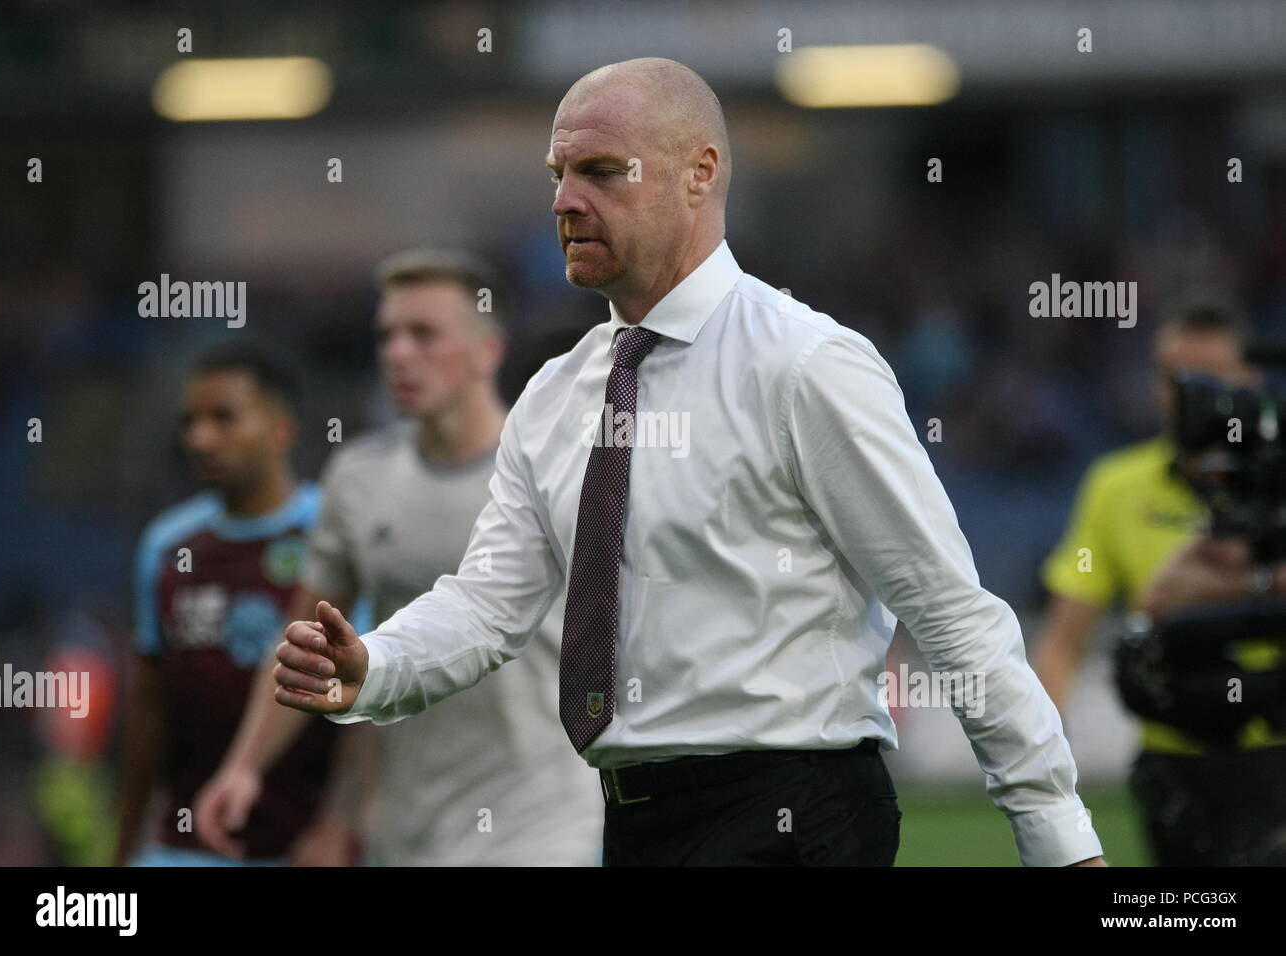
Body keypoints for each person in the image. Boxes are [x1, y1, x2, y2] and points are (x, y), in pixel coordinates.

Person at [273, 57, 1105, 867]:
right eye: (558, 174)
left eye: (600, 171)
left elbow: (949, 609)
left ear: (699, 173)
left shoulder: (805, 364)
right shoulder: (557, 396)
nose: (565, 200)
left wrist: (1058, 839)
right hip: (633, 824)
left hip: (793, 816)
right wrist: (374, 667)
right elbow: (490, 603)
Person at [194, 250, 603, 866]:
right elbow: (304, 644)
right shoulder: (358, 479)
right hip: (406, 831)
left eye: (424, 334)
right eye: (387, 335)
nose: (398, 353)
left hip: (541, 826)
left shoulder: (559, 469)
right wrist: (244, 767)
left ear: (486, 351)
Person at [1033, 299, 1286, 864]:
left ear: (1251, 383)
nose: (1189, 395)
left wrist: (1214, 587)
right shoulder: (1114, 487)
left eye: (1212, 380)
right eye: (1175, 378)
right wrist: (1044, 766)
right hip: (1175, 764)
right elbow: (1062, 641)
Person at [116, 342, 335, 866]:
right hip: (183, 846)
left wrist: (338, 828)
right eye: (191, 421)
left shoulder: (332, 532)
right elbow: (150, 706)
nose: (200, 438)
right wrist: (123, 849)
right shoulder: (167, 547)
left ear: (281, 429)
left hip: (303, 847)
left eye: (224, 418)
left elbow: (373, 704)